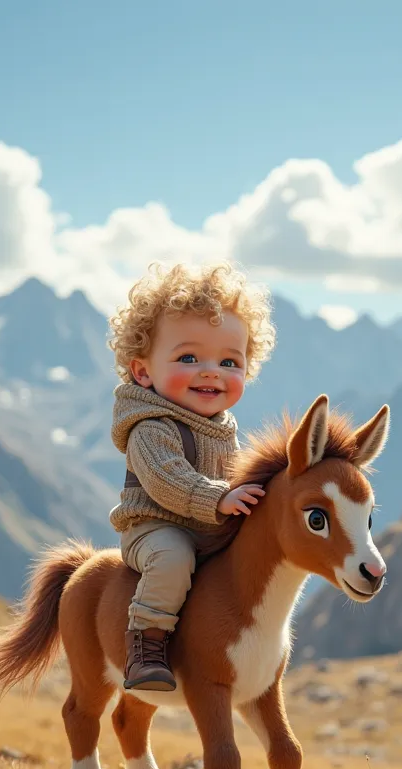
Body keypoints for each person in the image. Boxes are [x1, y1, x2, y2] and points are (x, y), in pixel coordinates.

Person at [109, 261, 276, 691]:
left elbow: (239, 476)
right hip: (155, 527)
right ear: (143, 370)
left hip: (208, 526)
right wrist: (218, 498)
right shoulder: (150, 426)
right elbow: (167, 480)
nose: (211, 371)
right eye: (188, 357)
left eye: (229, 361)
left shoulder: (223, 429)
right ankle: (146, 642)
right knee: (174, 557)